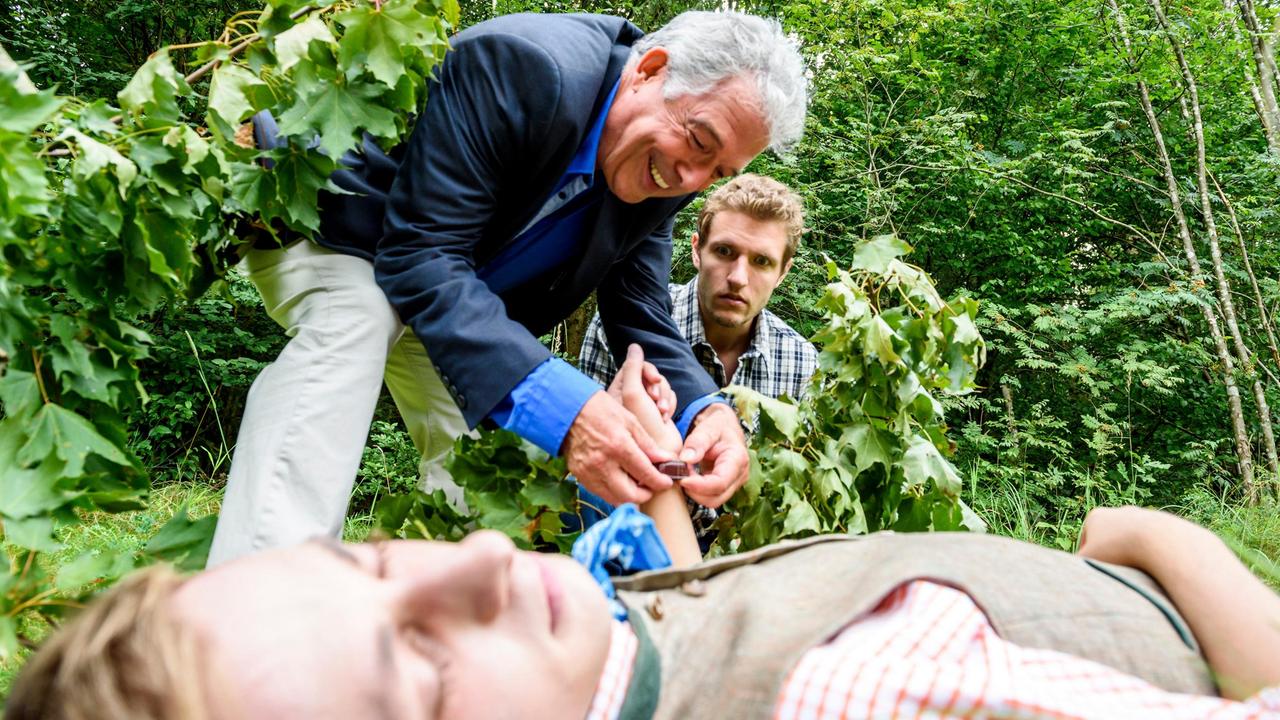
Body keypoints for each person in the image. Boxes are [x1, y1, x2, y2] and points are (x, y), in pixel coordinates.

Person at [10, 357, 1280, 719]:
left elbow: (676, 602)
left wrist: (658, 455)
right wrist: (1173, 541)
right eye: (425, 680)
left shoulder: (585, 652)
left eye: (378, 556)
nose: (479, 562)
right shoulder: (855, 691)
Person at [209, 11, 809, 565]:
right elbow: (420, 253)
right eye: (700, 143)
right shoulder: (527, 66)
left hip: (448, 295)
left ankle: (437, 628)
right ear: (650, 71)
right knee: (360, 318)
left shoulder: (663, 171)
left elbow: (641, 310)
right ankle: (261, 591)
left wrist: (709, 410)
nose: (691, 179)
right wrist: (570, 412)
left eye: (719, 172)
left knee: (482, 463)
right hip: (340, 225)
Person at [580, 173, 818, 401]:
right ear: (697, 250)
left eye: (761, 261)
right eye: (724, 251)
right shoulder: (621, 324)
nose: (738, 278)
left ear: (782, 273)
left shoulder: (801, 362)